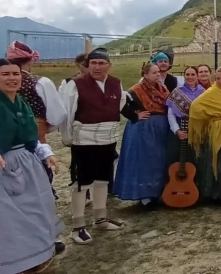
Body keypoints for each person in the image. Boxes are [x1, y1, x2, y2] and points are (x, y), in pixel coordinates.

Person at [0, 58, 63, 274]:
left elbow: (32, 138)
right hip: (4, 167)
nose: (12, 78)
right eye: (5, 74)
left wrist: (47, 153)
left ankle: (37, 254)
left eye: (15, 74)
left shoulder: (22, 103)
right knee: (11, 218)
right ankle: (15, 264)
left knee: (37, 209)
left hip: (28, 162)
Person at [60, 47, 126, 244]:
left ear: (109, 65)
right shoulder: (75, 85)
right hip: (84, 140)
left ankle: (100, 218)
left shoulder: (116, 84)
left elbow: (120, 106)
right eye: (93, 63)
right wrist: (68, 137)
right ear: (87, 65)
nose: (97, 67)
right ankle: (77, 226)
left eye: (101, 63)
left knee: (103, 179)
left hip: (108, 138)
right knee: (82, 183)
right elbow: (68, 113)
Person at [6, 41, 67, 199]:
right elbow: (58, 114)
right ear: (30, 60)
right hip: (34, 134)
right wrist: (45, 126)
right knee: (37, 172)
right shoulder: (40, 82)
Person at [114, 63, 170, 208]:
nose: (158, 74)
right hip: (144, 130)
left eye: (158, 72)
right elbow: (120, 103)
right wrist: (134, 115)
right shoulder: (136, 90)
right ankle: (144, 195)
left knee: (158, 160)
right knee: (145, 160)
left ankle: (157, 192)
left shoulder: (162, 88)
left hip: (160, 128)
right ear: (145, 75)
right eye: (154, 73)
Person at [187, 66, 221, 201]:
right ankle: (214, 194)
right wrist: (214, 115)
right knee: (216, 162)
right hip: (215, 131)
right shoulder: (211, 92)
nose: (220, 81)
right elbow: (195, 107)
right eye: (218, 78)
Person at [165, 66, 205, 181]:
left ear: (197, 76)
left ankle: (194, 188)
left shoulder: (203, 92)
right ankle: (172, 187)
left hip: (196, 131)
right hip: (179, 128)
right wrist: (177, 130)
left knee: (195, 159)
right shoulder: (177, 91)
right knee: (174, 159)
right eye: (187, 74)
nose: (190, 77)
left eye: (193, 74)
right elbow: (170, 114)